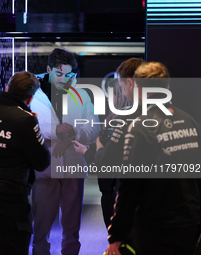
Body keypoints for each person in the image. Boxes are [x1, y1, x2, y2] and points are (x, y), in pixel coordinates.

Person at [105, 62, 201, 255]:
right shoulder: (188, 119)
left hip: (157, 227)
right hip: (190, 223)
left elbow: (129, 187)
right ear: (167, 87)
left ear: (138, 89)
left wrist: (116, 236)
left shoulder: (139, 127)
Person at [0, 71, 51, 255]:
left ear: (6, 88)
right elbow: (42, 162)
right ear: (30, 99)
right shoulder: (25, 119)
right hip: (11, 203)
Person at [30, 48, 100, 255]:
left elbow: (94, 127)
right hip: (45, 167)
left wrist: (74, 134)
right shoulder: (33, 94)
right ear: (48, 69)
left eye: (68, 75)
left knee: (71, 226)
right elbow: (25, 126)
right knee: (41, 226)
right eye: (59, 74)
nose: (63, 79)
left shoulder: (81, 95)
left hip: (73, 165)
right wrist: (56, 131)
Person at [73, 58, 146, 228]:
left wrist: (89, 151)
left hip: (117, 188)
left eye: (111, 94)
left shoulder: (123, 120)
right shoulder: (117, 118)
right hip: (112, 187)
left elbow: (108, 156)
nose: (107, 99)